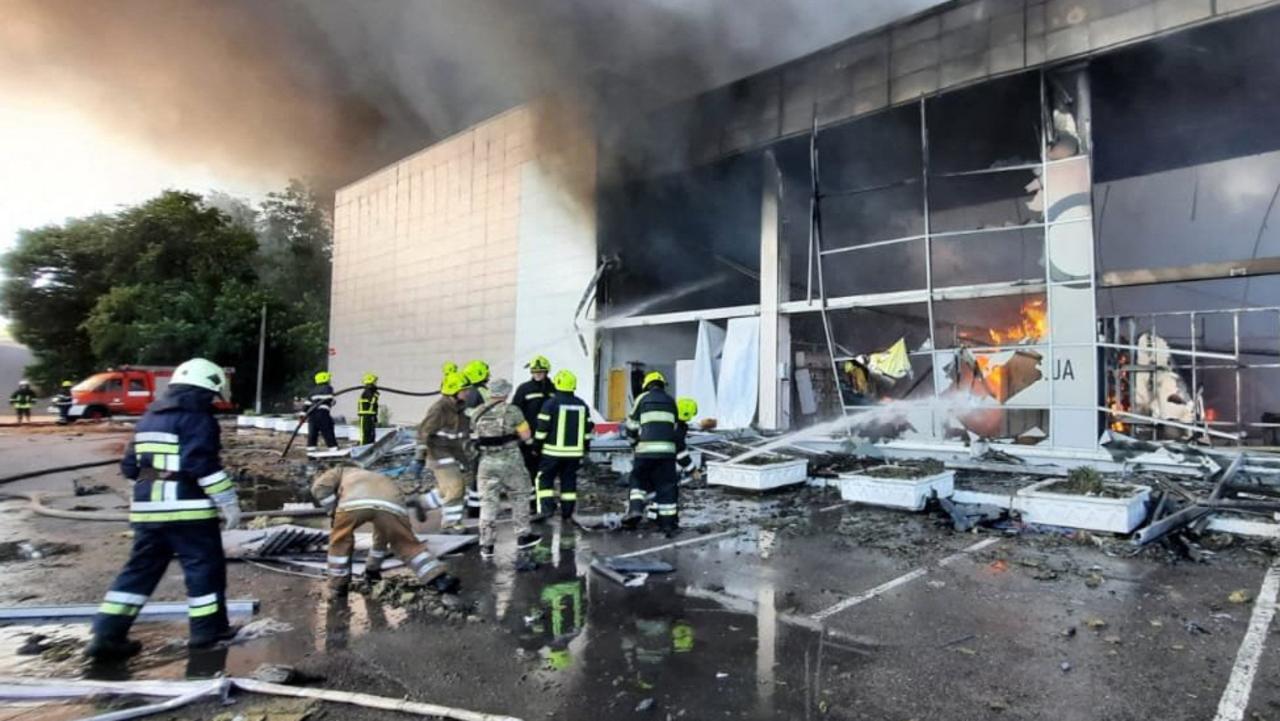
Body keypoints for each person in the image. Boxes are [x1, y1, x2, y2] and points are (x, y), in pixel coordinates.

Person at [87, 358, 242, 660]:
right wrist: (227, 500)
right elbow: (202, 465)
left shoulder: (148, 418)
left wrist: (164, 473)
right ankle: (207, 632)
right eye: (211, 395)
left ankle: (107, 634)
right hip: (189, 513)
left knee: (138, 572)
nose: (211, 401)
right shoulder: (198, 419)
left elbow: (131, 468)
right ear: (204, 390)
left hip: (147, 513)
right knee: (203, 569)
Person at [310, 464, 459, 593]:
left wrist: (333, 512)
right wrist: (372, 570)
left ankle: (338, 586)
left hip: (354, 501)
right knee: (405, 543)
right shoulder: (372, 475)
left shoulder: (338, 471)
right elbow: (381, 538)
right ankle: (439, 579)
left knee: (340, 541)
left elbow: (319, 488)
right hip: (392, 503)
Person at [471, 378, 541, 560]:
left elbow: (474, 436)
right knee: (520, 495)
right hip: (511, 461)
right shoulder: (512, 411)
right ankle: (523, 536)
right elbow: (526, 435)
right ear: (506, 393)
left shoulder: (477, 412)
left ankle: (487, 545)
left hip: (486, 463)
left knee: (487, 502)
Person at [409, 371, 471, 533]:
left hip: (453, 453)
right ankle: (450, 524)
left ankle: (422, 503)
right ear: (454, 391)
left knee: (446, 489)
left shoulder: (458, 409)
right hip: (440, 454)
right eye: (464, 390)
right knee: (456, 488)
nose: (467, 393)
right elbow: (424, 432)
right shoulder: (440, 408)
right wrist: (419, 459)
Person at [622, 372, 682, 534]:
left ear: (646, 385)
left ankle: (635, 509)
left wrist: (634, 443)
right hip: (667, 453)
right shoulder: (671, 401)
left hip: (645, 451)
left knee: (638, 480)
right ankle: (667, 524)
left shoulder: (642, 399)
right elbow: (676, 429)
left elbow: (631, 426)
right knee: (666, 486)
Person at [532, 370, 593, 522]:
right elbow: (587, 431)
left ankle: (546, 510)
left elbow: (542, 429)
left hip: (552, 453)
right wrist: (585, 449)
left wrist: (536, 446)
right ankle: (567, 513)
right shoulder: (582, 405)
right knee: (569, 482)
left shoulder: (550, 404)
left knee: (544, 479)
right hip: (574, 455)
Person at [513, 356, 554, 483]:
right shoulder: (524, 389)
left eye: (540, 372)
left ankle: (541, 496)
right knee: (530, 469)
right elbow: (516, 412)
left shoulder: (553, 389)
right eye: (534, 372)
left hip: (549, 437)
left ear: (546, 372)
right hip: (529, 437)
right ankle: (532, 498)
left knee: (547, 470)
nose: (537, 374)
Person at [460, 359, 491, 519]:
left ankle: (474, 506)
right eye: (485, 371)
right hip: (477, 439)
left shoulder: (478, 391)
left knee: (479, 473)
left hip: (480, 437)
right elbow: (471, 414)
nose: (488, 373)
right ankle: (474, 509)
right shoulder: (475, 392)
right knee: (479, 473)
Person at [305, 371, 338, 453]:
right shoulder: (328, 388)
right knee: (328, 431)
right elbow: (329, 399)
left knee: (312, 434)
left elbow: (307, 404)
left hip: (312, 415)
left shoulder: (312, 391)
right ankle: (333, 449)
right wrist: (333, 401)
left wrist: (303, 414)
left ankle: (311, 452)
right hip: (323, 414)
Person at [357, 373, 380, 446]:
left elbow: (374, 405)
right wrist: (374, 392)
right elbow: (372, 400)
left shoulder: (371, 392)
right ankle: (362, 448)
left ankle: (370, 446)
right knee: (365, 434)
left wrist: (375, 416)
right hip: (365, 416)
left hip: (371, 416)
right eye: (374, 382)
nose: (376, 384)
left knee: (371, 434)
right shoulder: (367, 392)